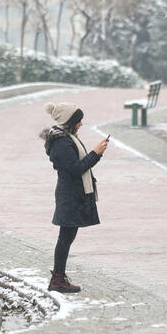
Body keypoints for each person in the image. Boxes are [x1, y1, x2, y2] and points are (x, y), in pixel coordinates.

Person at [39, 101, 110, 293]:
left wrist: (96, 153)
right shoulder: (61, 142)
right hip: (69, 194)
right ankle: (57, 280)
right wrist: (96, 153)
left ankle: (58, 278)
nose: (80, 124)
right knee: (65, 238)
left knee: (67, 237)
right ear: (69, 121)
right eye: (78, 121)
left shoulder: (67, 138)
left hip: (72, 193)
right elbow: (76, 169)